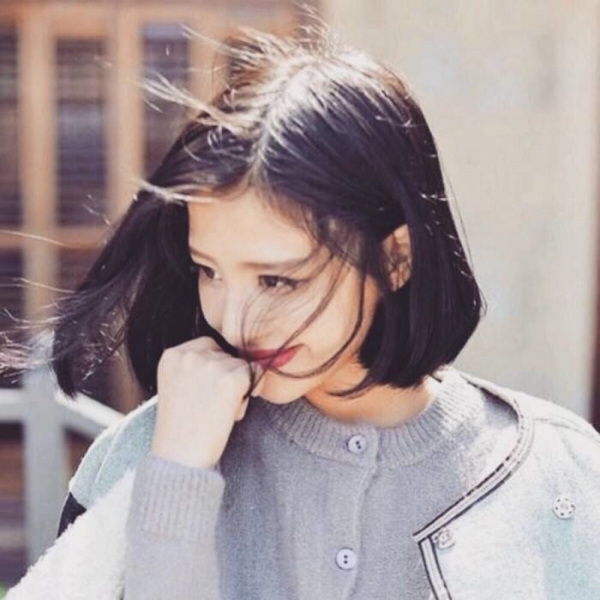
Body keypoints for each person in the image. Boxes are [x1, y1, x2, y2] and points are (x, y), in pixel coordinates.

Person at [4, 24, 600, 600]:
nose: (233, 320)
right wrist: (177, 475)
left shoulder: (560, 476)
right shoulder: (141, 453)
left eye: (277, 280)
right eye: (209, 270)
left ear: (395, 259)